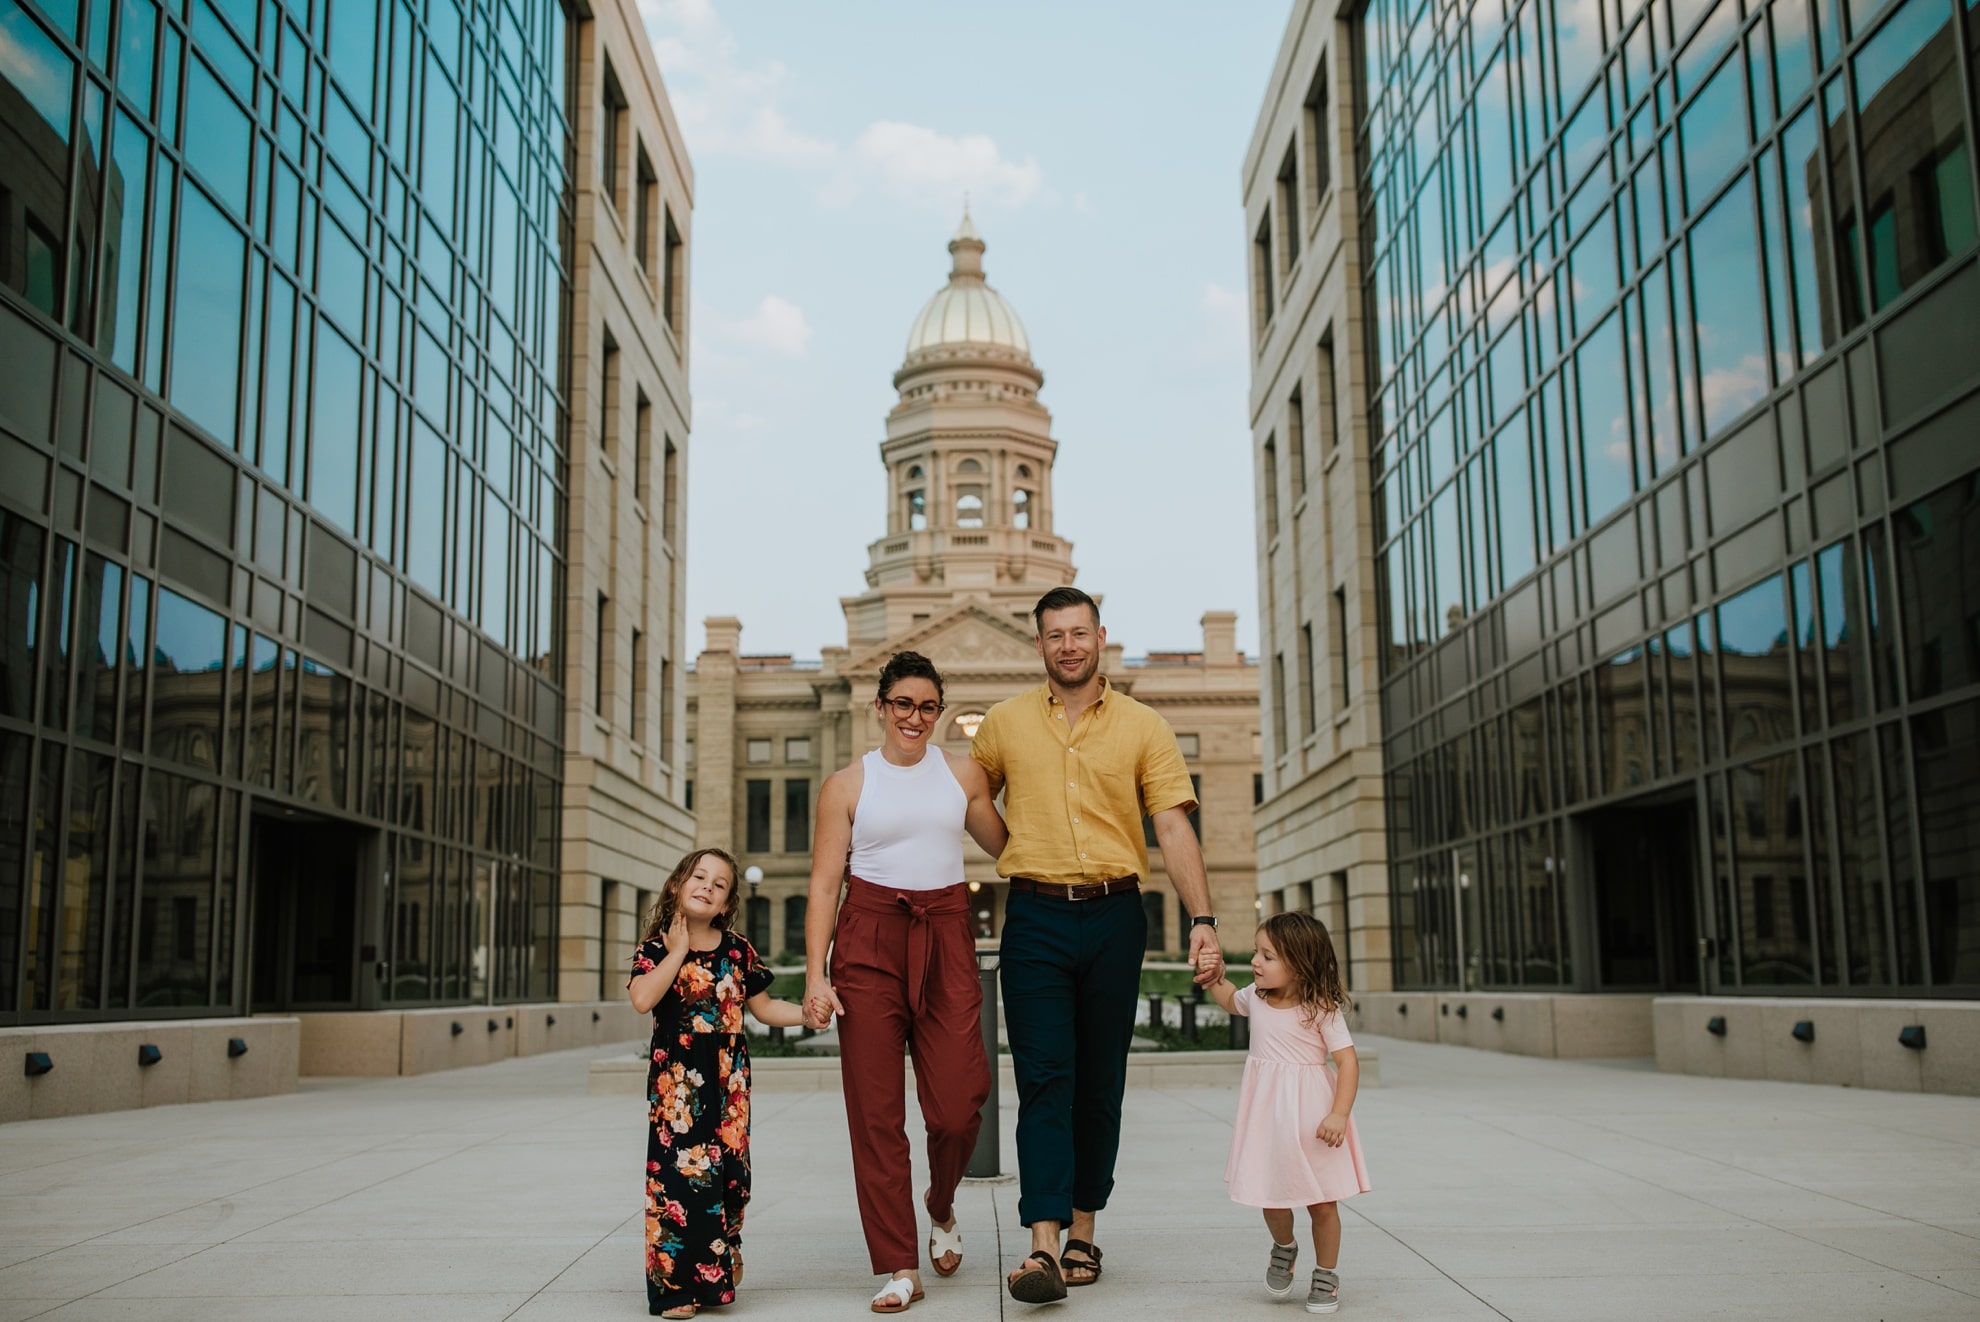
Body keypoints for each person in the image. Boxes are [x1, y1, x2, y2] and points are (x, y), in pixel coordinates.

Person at [969, 586, 1224, 1304]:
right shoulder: (1005, 723)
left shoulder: (1144, 726)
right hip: (1036, 917)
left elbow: (1172, 827)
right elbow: (967, 795)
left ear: (1099, 636)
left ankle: (1085, 1227)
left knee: (1098, 1082)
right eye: (1055, 636)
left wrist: (1203, 919)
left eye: (1079, 633)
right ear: (1040, 644)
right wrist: (1011, 848)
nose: (1068, 646)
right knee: (1044, 1076)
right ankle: (1044, 1244)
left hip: (1116, 916)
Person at [802, 651, 1009, 1314]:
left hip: (945, 933)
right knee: (876, 1115)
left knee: (956, 1107)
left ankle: (941, 1202)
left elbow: (1012, 850)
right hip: (866, 938)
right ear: (881, 707)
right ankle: (898, 1265)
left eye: (927, 706)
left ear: (938, 712)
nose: (914, 717)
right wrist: (814, 973)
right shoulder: (846, 785)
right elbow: (824, 883)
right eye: (903, 705)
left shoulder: (963, 776)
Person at [628, 848, 806, 1319]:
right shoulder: (653, 950)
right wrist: (680, 951)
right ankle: (674, 1290)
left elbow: (765, 1009)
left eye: (719, 883)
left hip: (730, 1079)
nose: (707, 886)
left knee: (731, 1173)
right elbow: (643, 999)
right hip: (678, 1083)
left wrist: (809, 1014)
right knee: (675, 1181)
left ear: (726, 904)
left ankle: (726, 1247)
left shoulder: (738, 949)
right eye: (698, 876)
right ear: (676, 887)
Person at [1206, 911, 1369, 1315]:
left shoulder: (1321, 1008)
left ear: (1299, 963)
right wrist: (1213, 978)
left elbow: (1347, 1063)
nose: (1255, 962)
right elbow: (1230, 999)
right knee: (1272, 1197)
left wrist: (1339, 1115)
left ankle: (1326, 1273)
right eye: (1257, 953)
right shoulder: (1256, 998)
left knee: (1322, 1203)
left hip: (1314, 1121)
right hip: (1266, 1120)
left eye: (1267, 956)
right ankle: (1284, 1246)